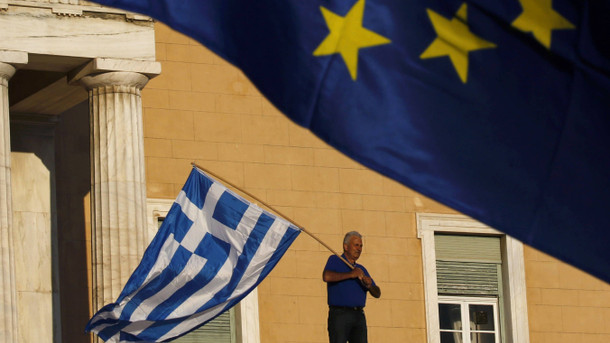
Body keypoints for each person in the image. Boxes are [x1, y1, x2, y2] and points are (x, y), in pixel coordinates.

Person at [323, 231, 381, 343]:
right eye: (356, 245)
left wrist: (369, 286)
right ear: (346, 246)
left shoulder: (361, 269)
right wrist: (350, 274)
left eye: (361, 246)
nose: (359, 248)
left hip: (358, 315)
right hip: (340, 315)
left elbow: (377, 293)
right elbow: (327, 276)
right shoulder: (335, 260)